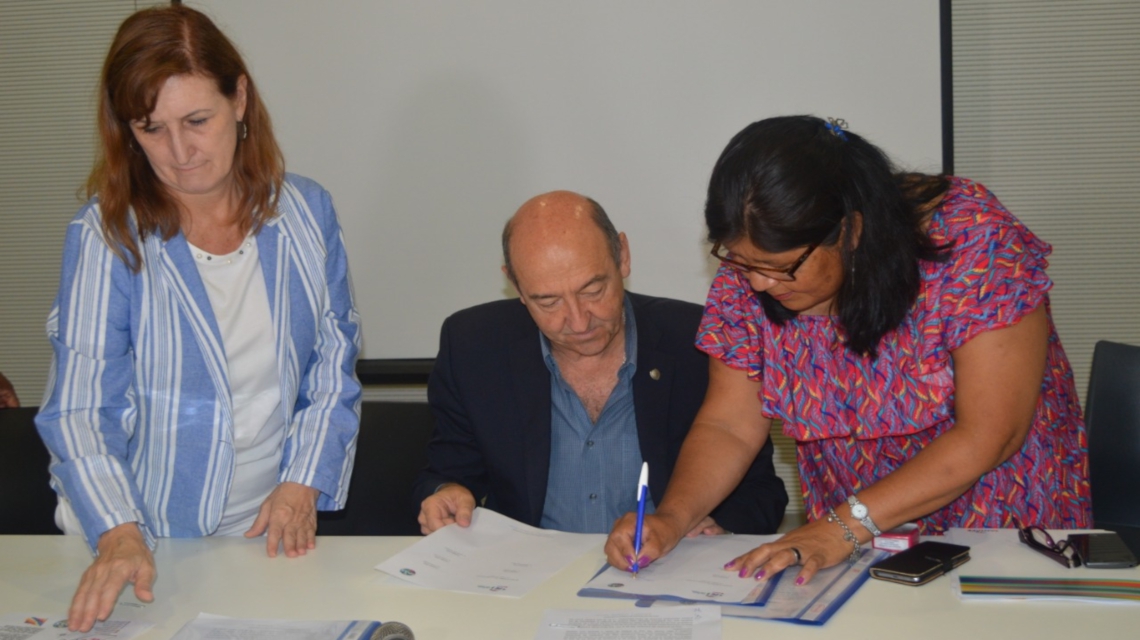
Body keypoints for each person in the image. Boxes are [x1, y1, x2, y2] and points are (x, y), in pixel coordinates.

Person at [605, 115, 1090, 584]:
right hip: (853, 543)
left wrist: (842, 526)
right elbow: (729, 425)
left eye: (780, 267)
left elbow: (991, 434)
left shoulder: (971, 237)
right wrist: (673, 517)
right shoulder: (749, 273)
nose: (757, 283)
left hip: (1002, 528)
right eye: (741, 261)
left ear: (852, 230)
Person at [34, 6, 361, 632]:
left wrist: (302, 483)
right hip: (137, 535)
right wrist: (119, 532)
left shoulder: (306, 212)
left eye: (196, 121)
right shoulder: (106, 237)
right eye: (151, 129)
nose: (179, 152)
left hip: (265, 527)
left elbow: (331, 366)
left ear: (239, 100)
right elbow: (80, 411)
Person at [414, 191, 787, 537]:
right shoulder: (474, 346)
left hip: (664, 568)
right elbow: (448, 471)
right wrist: (446, 494)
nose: (578, 322)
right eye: (548, 302)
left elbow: (761, 494)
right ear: (514, 283)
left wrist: (713, 526)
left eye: (593, 291)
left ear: (622, 256)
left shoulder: (701, 343)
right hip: (530, 575)